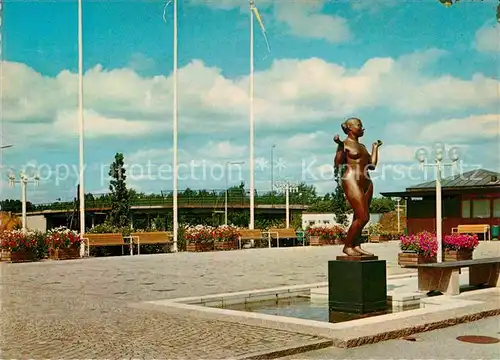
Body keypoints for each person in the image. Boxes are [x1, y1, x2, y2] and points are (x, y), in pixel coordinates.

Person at [333, 117, 382, 256]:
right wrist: (339, 146)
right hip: (351, 179)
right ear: (349, 127)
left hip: (366, 181)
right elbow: (337, 163)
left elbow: (372, 165)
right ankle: (348, 246)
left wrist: (375, 148)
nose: (362, 128)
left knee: (358, 217)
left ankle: (356, 245)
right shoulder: (344, 144)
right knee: (363, 217)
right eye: (359, 125)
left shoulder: (363, 147)